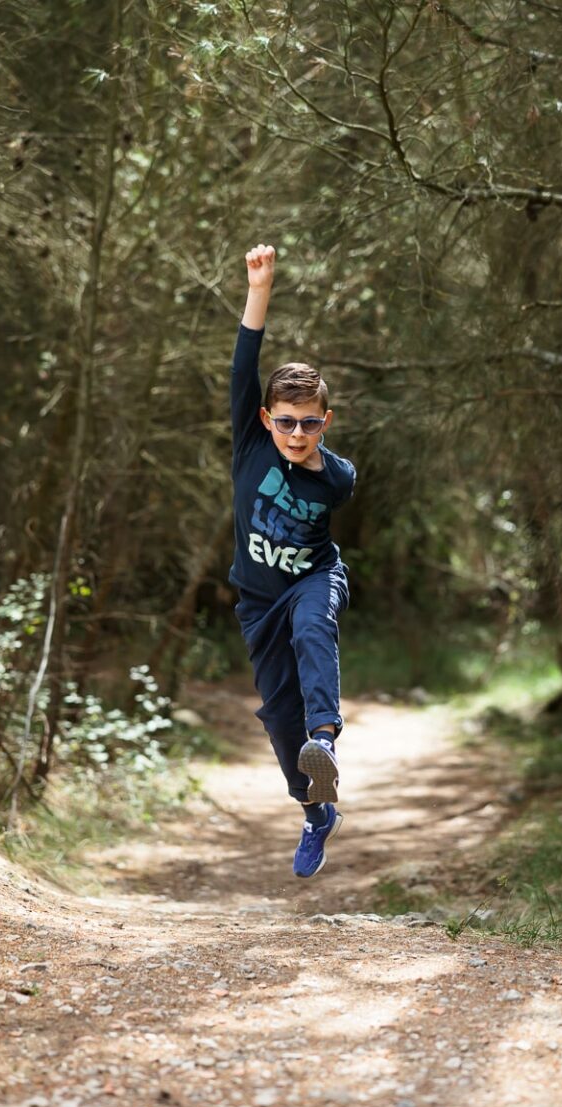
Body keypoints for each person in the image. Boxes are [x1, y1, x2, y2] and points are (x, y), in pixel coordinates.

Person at [229, 243, 356, 878]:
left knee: (313, 626)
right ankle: (314, 810)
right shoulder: (250, 444)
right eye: (286, 422)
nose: (297, 434)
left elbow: (341, 476)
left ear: (325, 422)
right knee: (278, 713)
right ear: (264, 419)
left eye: (309, 424)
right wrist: (261, 289)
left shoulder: (334, 476)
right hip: (256, 601)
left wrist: (311, 459)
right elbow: (243, 363)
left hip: (313, 577)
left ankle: (325, 739)